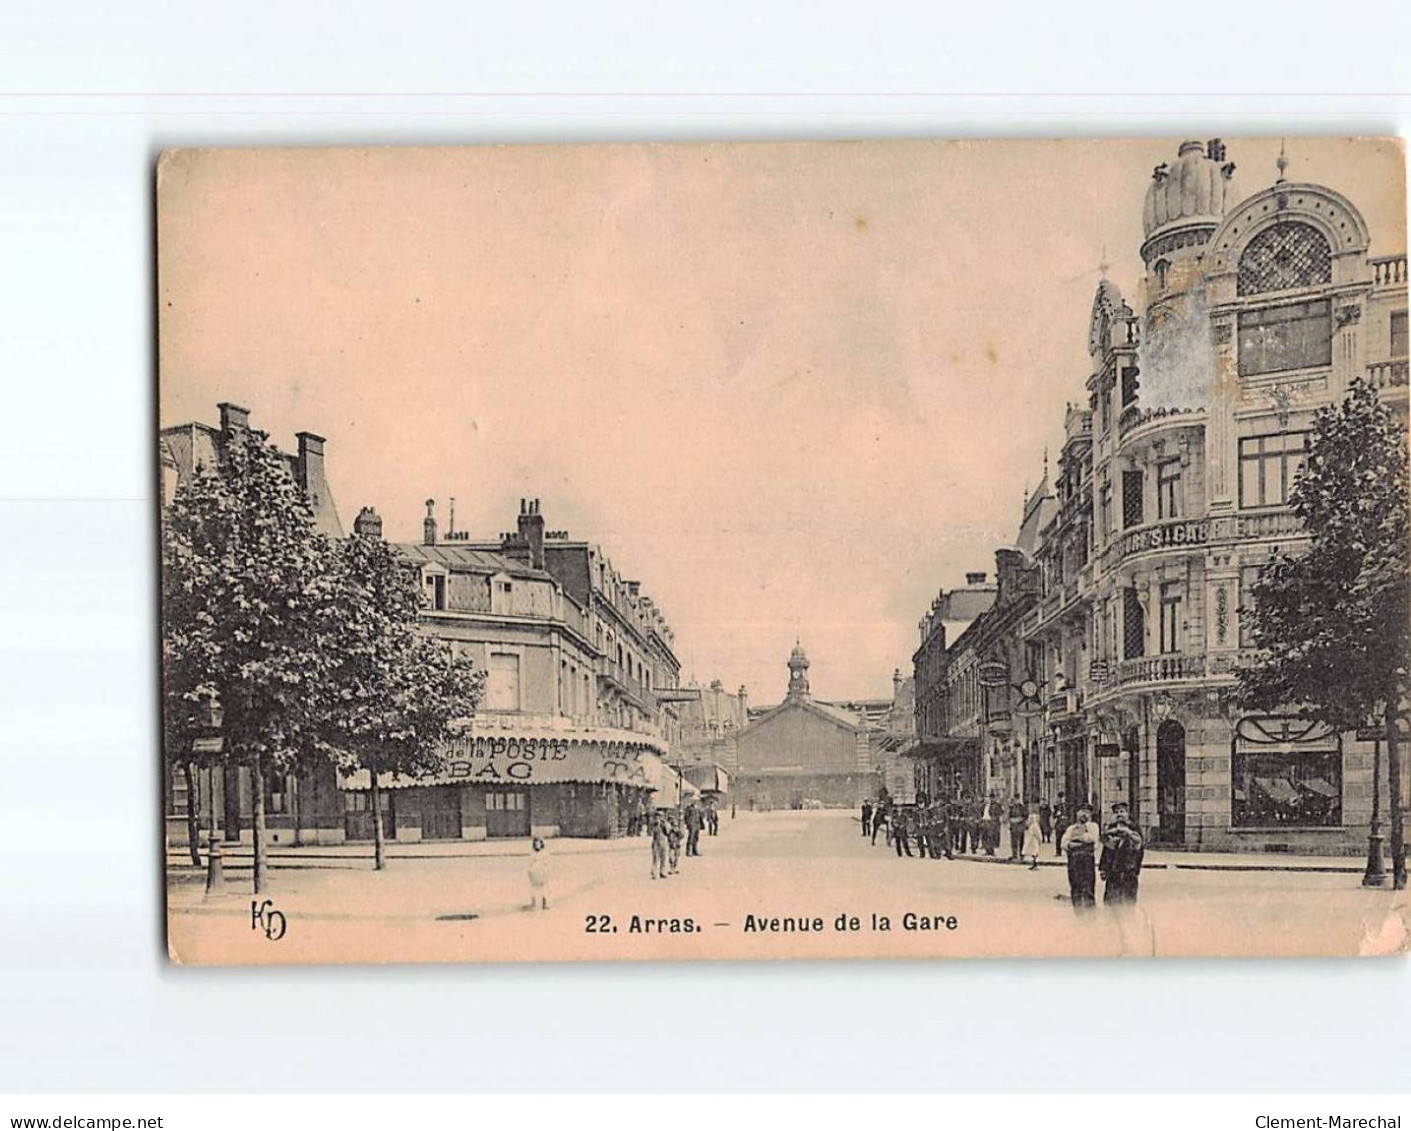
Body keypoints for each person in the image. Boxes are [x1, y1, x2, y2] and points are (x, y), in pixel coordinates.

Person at [1099, 801, 1146, 905]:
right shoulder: (1111, 829)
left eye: (1122, 811)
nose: (1119, 814)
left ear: (1127, 813)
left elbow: (1140, 850)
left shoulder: (1134, 828)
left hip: (1128, 870)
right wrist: (1103, 868)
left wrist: (1136, 868)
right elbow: (1106, 850)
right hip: (1113, 871)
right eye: (1116, 812)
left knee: (1128, 901)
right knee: (1111, 902)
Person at [1059, 802, 1101, 910]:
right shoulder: (1071, 828)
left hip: (1086, 861)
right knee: (1075, 889)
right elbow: (1064, 843)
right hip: (1073, 862)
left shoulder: (1093, 826)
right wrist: (1074, 843)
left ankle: (1091, 916)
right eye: (1082, 811)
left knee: (1088, 890)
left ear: (1090, 815)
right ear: (1077, 813)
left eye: (1087, 812)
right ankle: (1078, 914)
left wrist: (1074, 840)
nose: (1084, 814)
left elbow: (1091, 839)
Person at [526, 836, 551, 910]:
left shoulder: (544, 853)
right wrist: (530, 872)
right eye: (536, 844)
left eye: (539, 844)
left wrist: (546, 871)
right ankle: (533, 903)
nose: (538, 846)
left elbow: (546, 863)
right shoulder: (532, 854)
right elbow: (530, 864)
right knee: (533, 888)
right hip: (534, 872)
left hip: (542, 871)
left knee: (544, 888)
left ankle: (544, 903)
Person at [649, 812, 669, 880]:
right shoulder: (654, 824)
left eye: (660, 816)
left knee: (663, 858)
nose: (659, 818)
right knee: (656, 858)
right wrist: (657, 824)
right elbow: (651, 832)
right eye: (657, 816)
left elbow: (668, 832)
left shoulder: (665, 824)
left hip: (664, 841)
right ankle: (654, 873)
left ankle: (662, 872)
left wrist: (664, 824)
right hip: (656, 842)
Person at [1007, 795, 1027, 862]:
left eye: (1017, 799)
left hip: (1020, 826)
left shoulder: (1022, 807)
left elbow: (1025, 816)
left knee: (1021, 841)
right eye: (1015, 799)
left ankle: (1021, 855)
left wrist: (1019, 819)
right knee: (1013, 842)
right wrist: (1011, 820)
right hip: (1013, 827)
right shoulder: (1011, 807)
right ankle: (1014, 855)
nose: (1016, 801)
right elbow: (1009, 816)